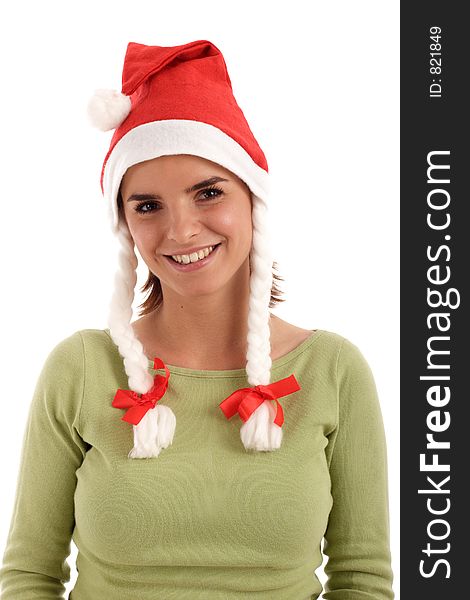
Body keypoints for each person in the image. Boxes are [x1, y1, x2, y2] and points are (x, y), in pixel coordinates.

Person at [0, 40, 394, 599]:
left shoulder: (333, 369)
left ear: (253, 202)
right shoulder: (81, 368)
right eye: (147, 205)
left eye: (208, 193)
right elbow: (29, 577)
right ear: (125, 224)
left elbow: (362, 580)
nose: (181, 229)